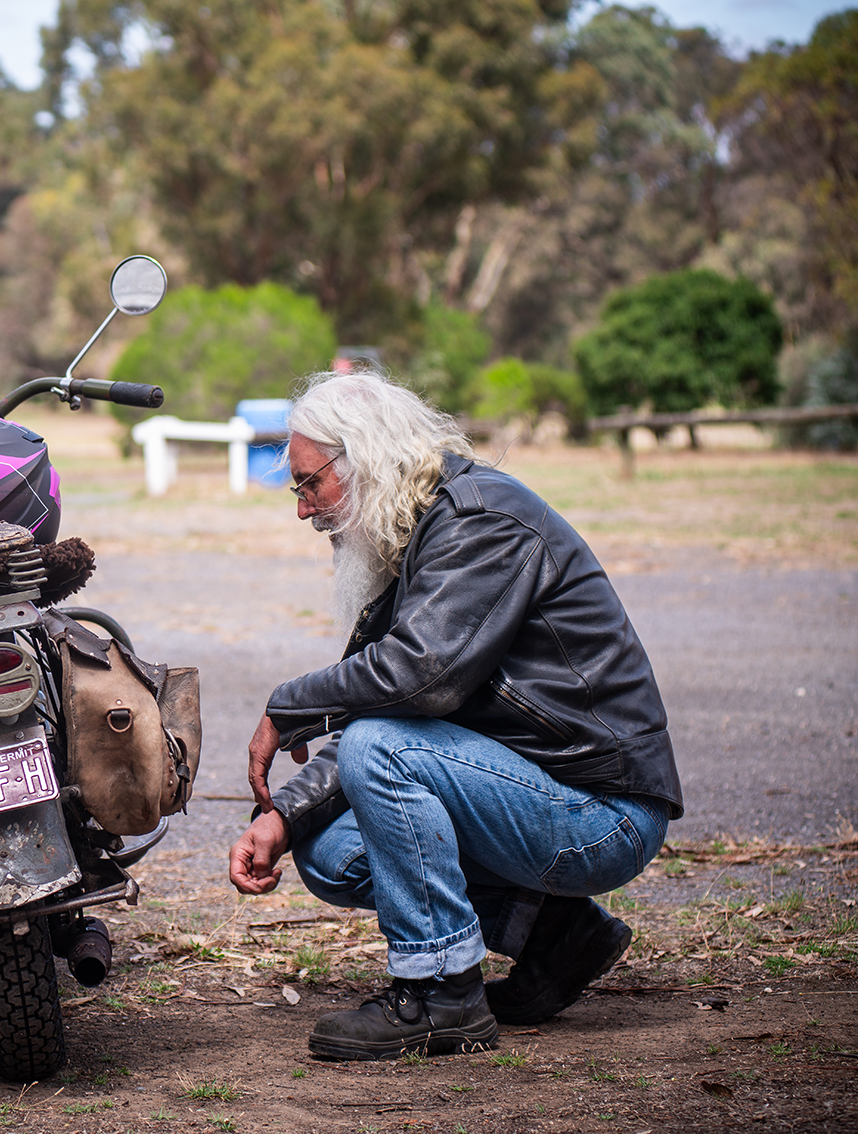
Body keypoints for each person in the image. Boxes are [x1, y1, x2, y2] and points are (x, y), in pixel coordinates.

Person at [229, 370, 682, 1062]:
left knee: (379, 746)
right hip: (538, 792)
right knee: (328, 851)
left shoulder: (478, 522)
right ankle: (554, 933)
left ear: (366, 460)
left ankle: (442, 993)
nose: (303, 509)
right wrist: (285, 815)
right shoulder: (420, 533)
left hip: (602, 812)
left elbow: (417, 682)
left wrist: (288, 705)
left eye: (307, 483)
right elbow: (403, 713)